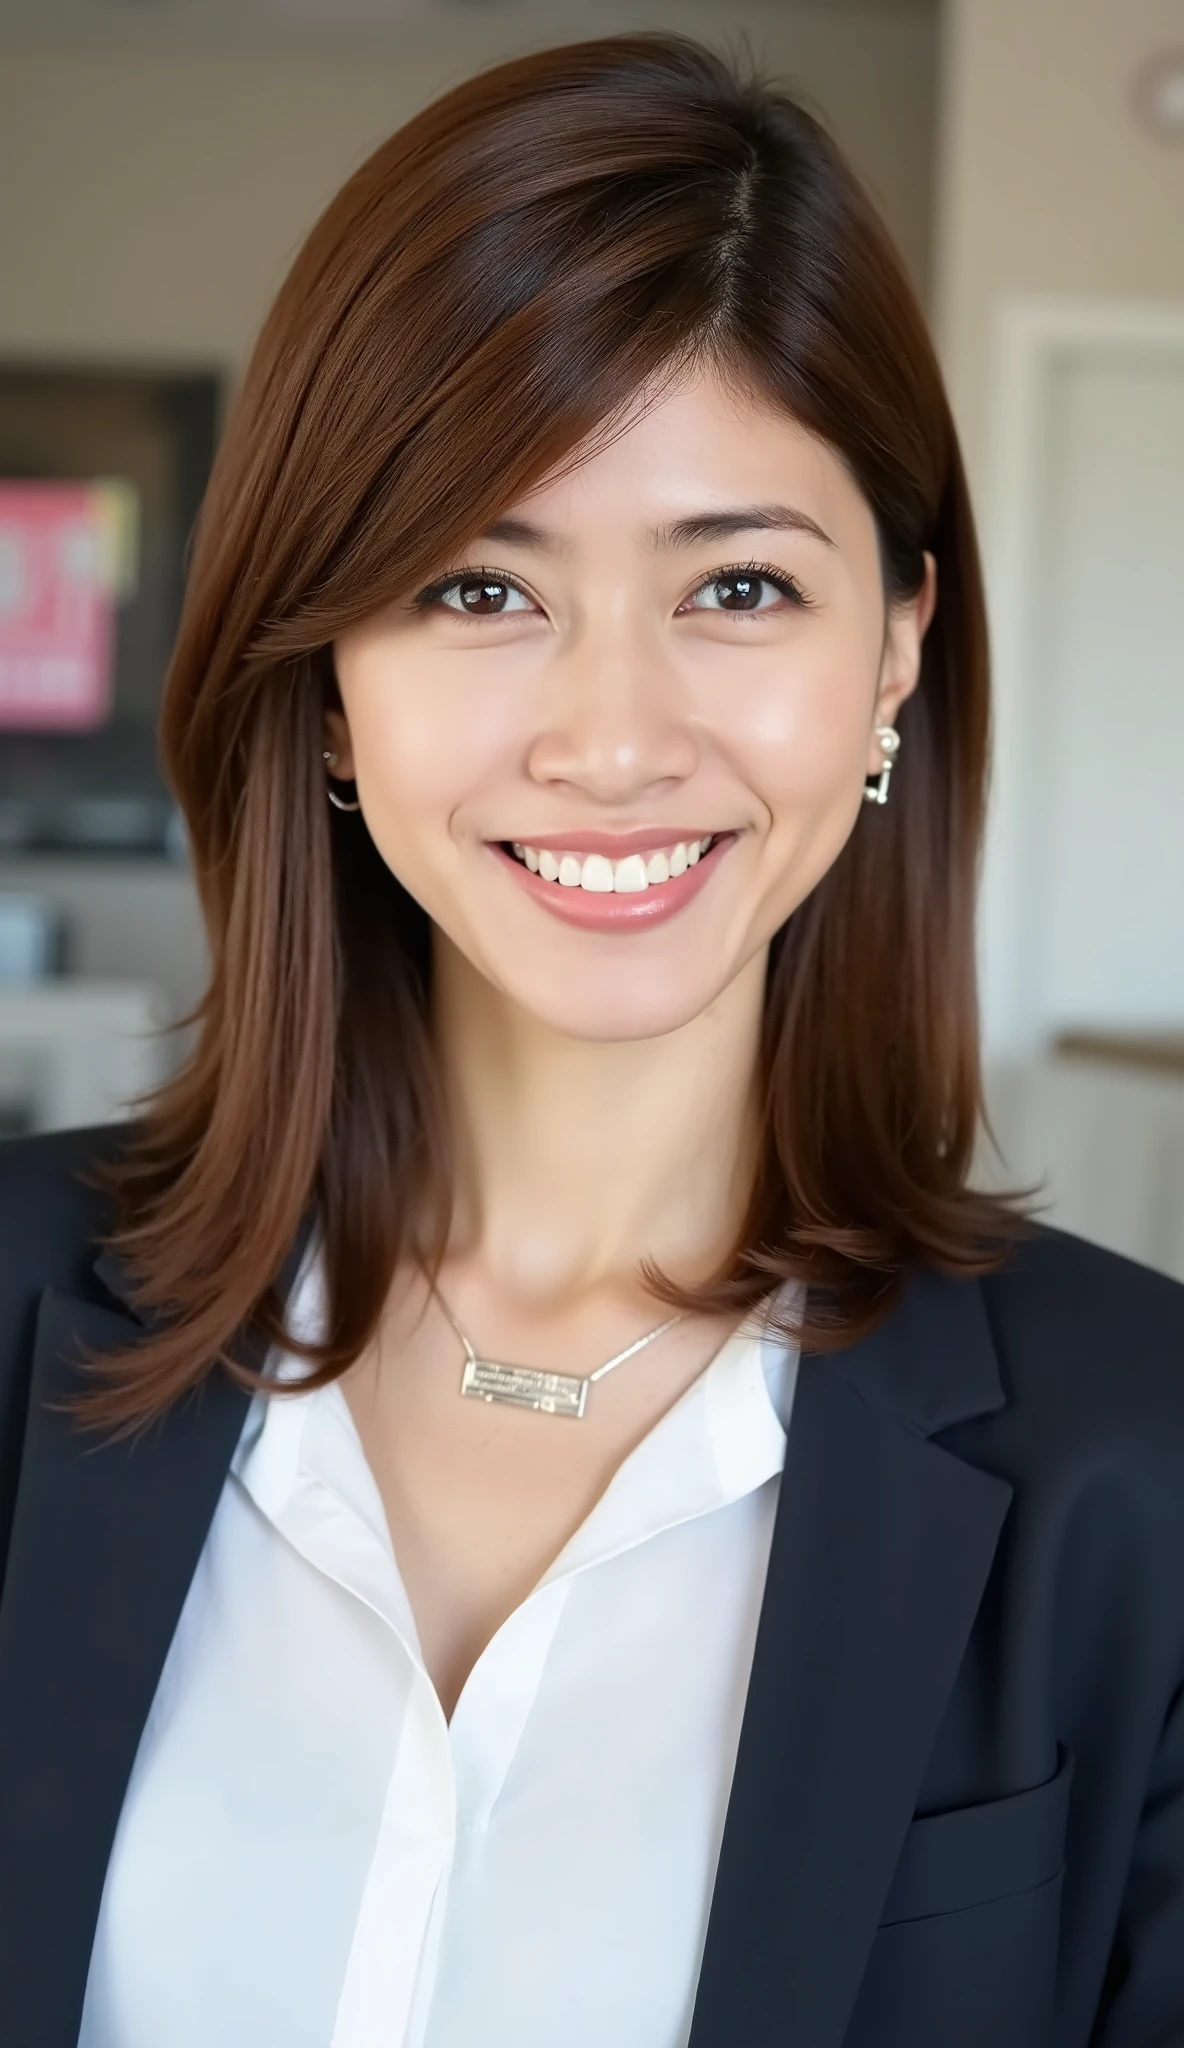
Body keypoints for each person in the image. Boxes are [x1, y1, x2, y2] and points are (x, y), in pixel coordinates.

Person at [1, 31, 1182, 2048]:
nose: (616, 740)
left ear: (893, 640)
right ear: (324, 671)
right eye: (479, 585)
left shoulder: (1139, 1460)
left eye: (736, 582)